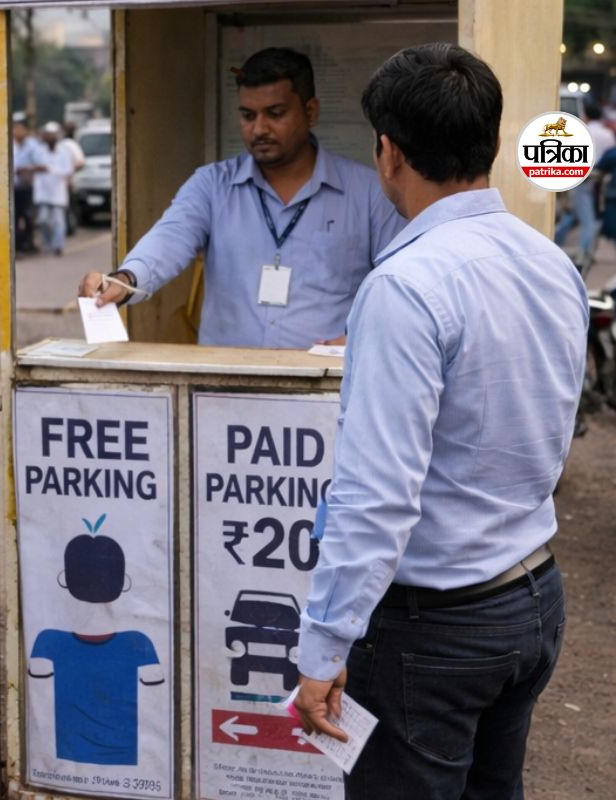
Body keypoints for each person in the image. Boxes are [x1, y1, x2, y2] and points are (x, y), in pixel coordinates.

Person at [293, 43, 587, 800]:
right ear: (490, 141)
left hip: (437, 628)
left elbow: (376, 496)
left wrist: (323, 646)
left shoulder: (406, 285)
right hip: (531, 599)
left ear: (388, 153)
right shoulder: (548, 261)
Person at [78, 48, 404, 348]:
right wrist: (126, 279)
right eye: (248, 116)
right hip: (223, 390)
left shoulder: (367, 193)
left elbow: (397, 286)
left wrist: (357, 338)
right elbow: (168, 239)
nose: (259, 129)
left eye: (275, 113)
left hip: (321, 391)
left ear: (311, 111)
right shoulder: (211, 185)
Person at [553, 101, 615, 265]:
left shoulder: (581, 130)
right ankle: (564, 246)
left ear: (586, 115)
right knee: (577, 216)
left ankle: (581, 254)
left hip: (579, 177)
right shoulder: (607, 134)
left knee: (581, 217)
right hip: (595, 180)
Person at [32, 121, 77, 257]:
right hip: (43, 192)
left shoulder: (64, 151)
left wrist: (50, 169)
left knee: (58, 221)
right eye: (48, 135)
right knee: (43, 220)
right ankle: (47, 243)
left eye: (53, 135)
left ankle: (58, 246)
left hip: (58, 192)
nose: (50, 137)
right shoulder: (39, 151)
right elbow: (34, 166)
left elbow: (68, 170)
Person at [13, 111, 41, 252]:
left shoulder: (32, 145)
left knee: (29, 217)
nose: (18, 130)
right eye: (16, 127)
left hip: (27, 187)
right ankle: (17, 246)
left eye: (21, 127)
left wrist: (27, 170)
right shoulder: (8, 144)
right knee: (14, 218)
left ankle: (29, 244)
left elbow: (40, 164)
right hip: (12, 188)